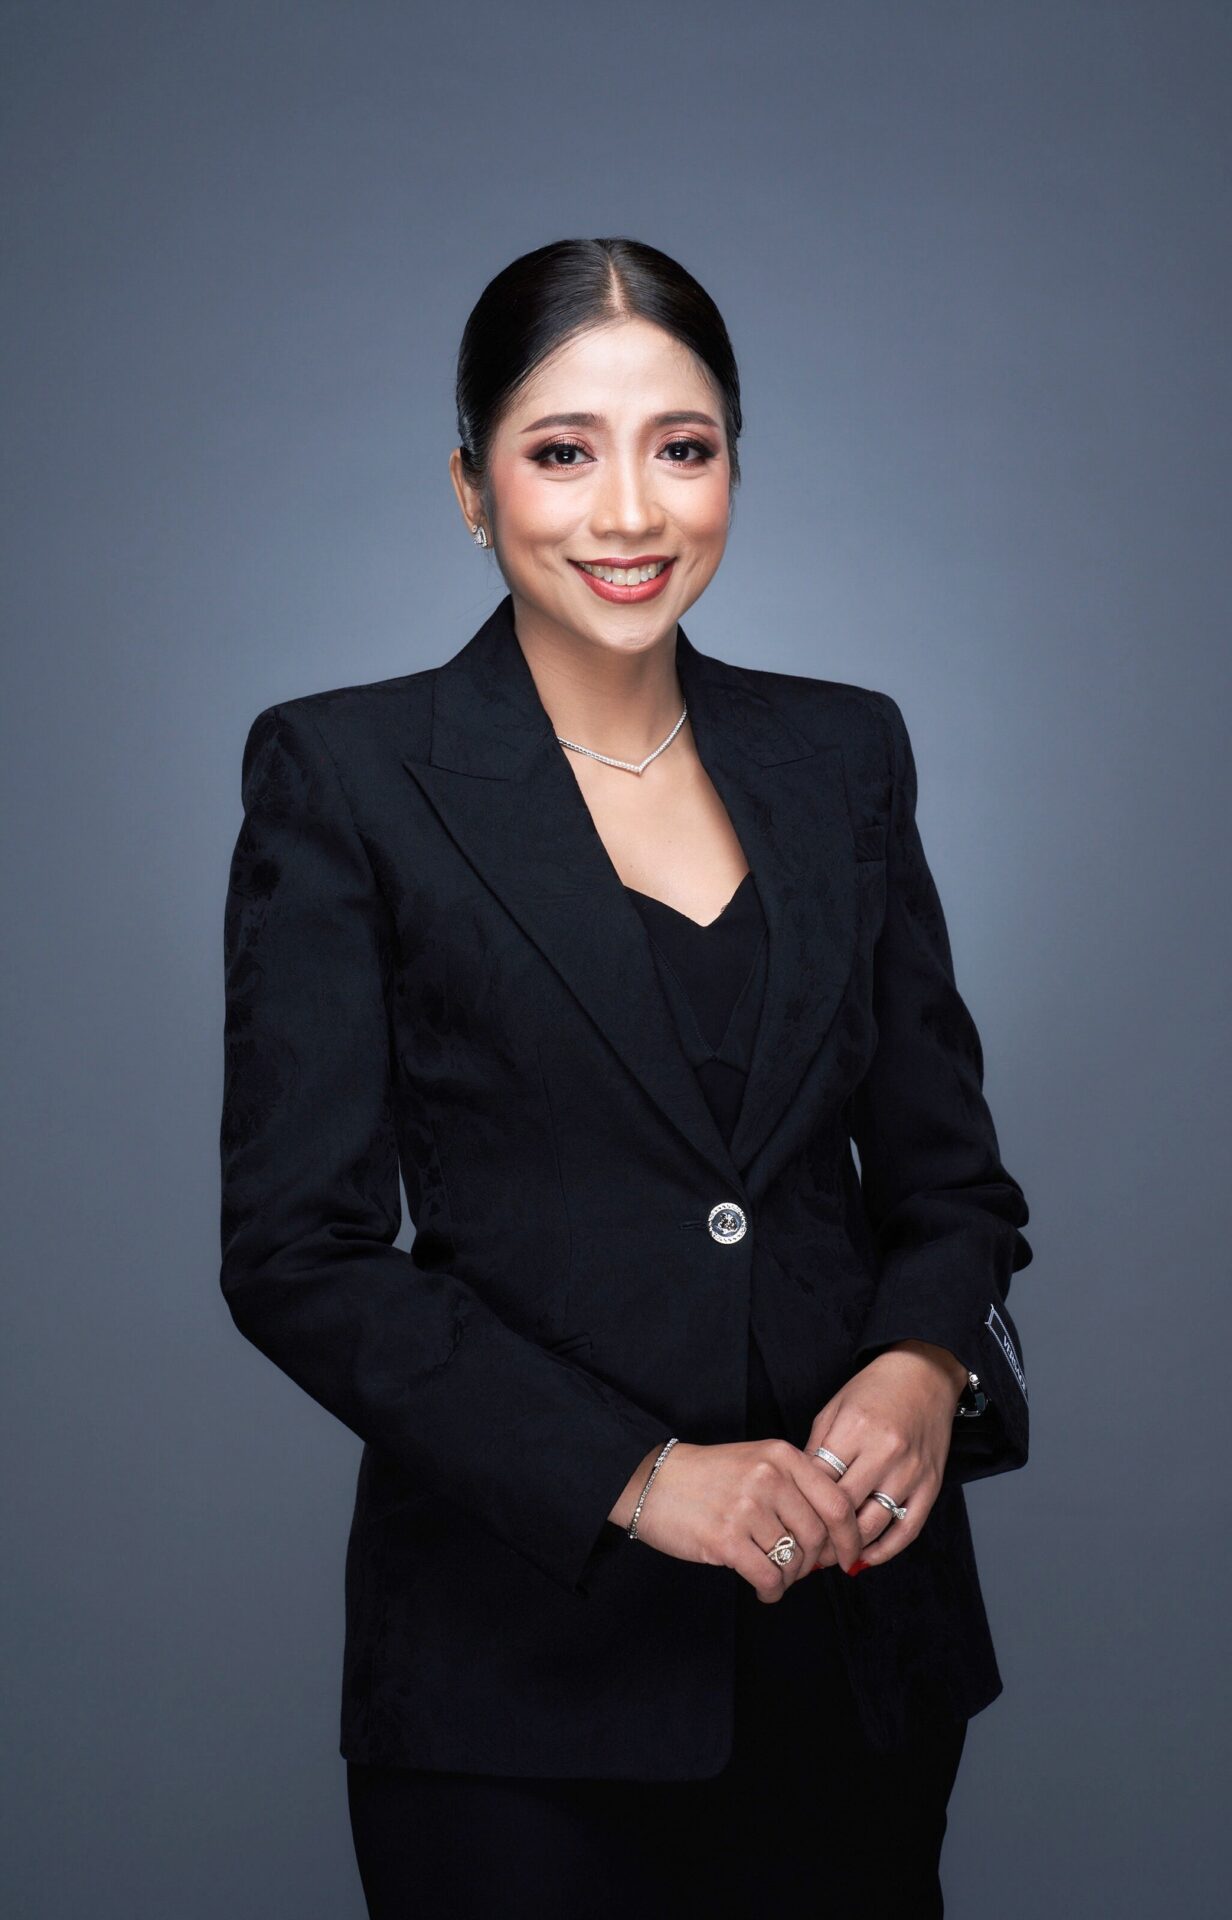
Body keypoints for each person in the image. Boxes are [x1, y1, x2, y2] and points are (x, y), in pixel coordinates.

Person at [218, 236, 1034, 1918]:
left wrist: (923, 1363)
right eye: (562, 451)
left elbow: (950, 1178)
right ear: (470, 487)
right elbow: (297, 1252)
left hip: (854, 1659)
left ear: (735, 466)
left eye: (682, 446)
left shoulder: (845, 753)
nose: (632, 512)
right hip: (518, 1683)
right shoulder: (346, 773)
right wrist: (640, 1478)